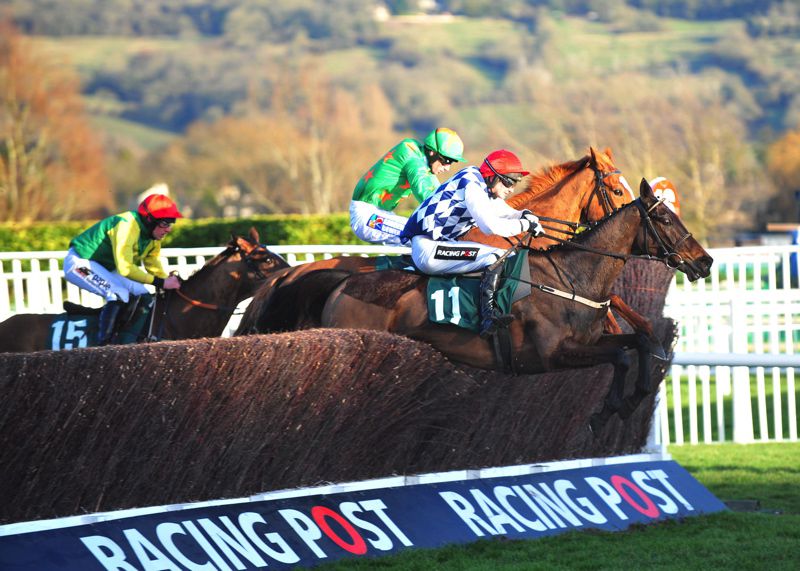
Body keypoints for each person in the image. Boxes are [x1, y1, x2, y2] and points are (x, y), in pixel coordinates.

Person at [401, 149, 544, 338]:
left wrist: (523, 215)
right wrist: (524, 224)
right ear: (492, 176)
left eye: (514, 183)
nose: (511, 189)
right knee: (495, 257)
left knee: (507, 255)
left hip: (437, 245)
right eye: (508, 182)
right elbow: (490, 226)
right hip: (427, 249)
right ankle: (488, 318)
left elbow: (501, 209)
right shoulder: (472, 184)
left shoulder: (479, 183)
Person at [63, 193, 183, 344]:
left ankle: (130, 336)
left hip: (104, 266)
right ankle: (106, 346)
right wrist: (160, 283)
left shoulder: (152, 236)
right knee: (119, 294)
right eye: (165, 223)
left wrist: (166, 280)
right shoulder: (126, 225)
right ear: (150, 220)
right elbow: (125, 269)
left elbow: (151, 261)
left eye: (171, 223)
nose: (168, 229)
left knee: (143, 294)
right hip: (79, 263)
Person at [350, 127, 465, 245]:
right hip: (367, 217)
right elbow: (429, 199)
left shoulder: (420, 158)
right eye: (446, 161)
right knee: (422, 235)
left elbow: (440, 194)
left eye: (451, 162)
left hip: (381, 213)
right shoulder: (415, 163)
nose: (447, 168)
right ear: (432, 152)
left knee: (424, 236)